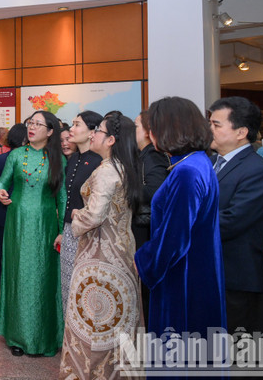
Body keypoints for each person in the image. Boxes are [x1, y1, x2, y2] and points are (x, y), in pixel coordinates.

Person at [134, 97, 226, 345]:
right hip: (194, 271)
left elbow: (175, 238)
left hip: (183, 278)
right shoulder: (196, 163)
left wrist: (142, 261)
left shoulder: (186, 171)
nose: (150, 132)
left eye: (152, 125)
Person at [59, 112, 143, 379]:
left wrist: (75, 217)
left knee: (94, 319)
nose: (93, 134)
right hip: (121, 251)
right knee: (117, 318)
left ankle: (91, 372)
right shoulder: (123, 166)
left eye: (99, 131)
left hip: (100, 253)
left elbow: (94, 216)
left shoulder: (106, 170)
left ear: (111, 140)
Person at [0, 110, 66, 356]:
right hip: (17, 224)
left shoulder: (59, 159)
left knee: (43, 278)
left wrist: (61, 231)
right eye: (30, 123)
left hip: (45, 226)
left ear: (50, 131)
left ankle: (44, 335)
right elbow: (2, 182)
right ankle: (17, 336)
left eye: (38, 124)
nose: (32, 127)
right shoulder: (15, 155)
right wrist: (0, 191)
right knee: (17, 276)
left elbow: (63, 199)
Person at [209, 96, 263, 334]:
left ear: (241, 132)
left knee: (241, 361)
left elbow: (232, 221)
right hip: (212, 275)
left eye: (217, 125)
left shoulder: (258, 171)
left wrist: (185, 222)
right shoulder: (210, 163)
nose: (210, 130)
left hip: (238, 281)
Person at [57, 111, 102, 313]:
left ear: (92, 132)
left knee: (86, 288)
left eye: (77, 125)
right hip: (69, 230)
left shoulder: (98, 162)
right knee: (68, 286)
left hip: (89, 233)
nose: (71, 129)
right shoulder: (73, 159)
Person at [133, 109, 169, 323]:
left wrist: (125, 188)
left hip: (146, 229)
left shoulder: (153, 156)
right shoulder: (142, 155)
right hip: (142, 226)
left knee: (147, 289)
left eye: (137, 126)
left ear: (148, 132)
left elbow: (156, 191)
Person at [0, 123, 26, 288]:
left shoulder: (38, 161)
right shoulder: (2, 159)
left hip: (25, 217)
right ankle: (5, 302)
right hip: (4, 217)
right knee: (4, 259)